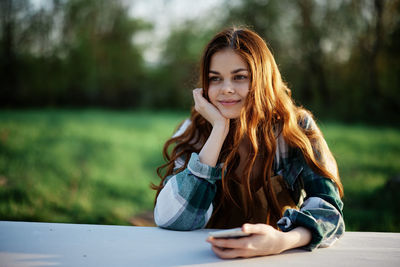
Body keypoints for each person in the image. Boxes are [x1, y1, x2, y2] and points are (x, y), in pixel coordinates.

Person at [152, 27, 344, 259]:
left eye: (239, 77)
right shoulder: (195, 131)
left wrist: (282, 240)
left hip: (279, 259)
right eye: (215, 79)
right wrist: (218, 130)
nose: (226, 89)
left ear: (262, 79)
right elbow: (172, 219)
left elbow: (328, 209)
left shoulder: (295, 128)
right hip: (203, 258)